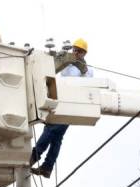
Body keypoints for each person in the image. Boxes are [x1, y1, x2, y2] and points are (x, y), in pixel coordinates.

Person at [30, 38, 93, 178]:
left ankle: (35, 156)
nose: (75, 53)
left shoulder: (88, 70)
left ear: (84, 53)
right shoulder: (67, 64)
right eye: (74, 50)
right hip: (61, 102)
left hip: (72, 104)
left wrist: (81, 67)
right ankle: (47, 167)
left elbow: (87, 83)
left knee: (51, 129)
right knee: (57, 138)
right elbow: (54, 74)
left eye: (79, 51)